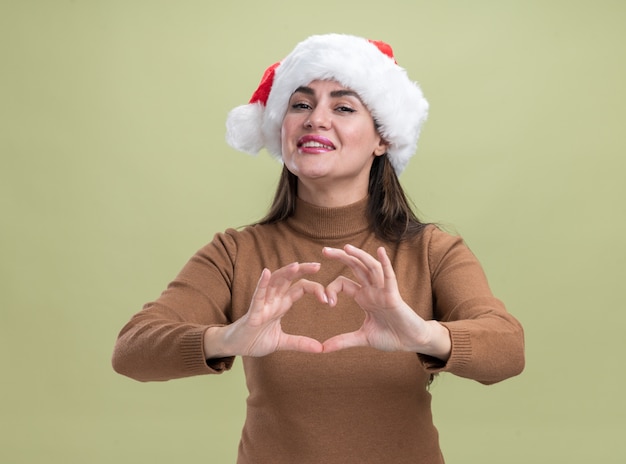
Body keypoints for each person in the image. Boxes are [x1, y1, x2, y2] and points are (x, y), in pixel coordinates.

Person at [112, 33, 524, 463]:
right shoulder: (235, 252)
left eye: (343, 107)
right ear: (281, 128)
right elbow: (132, 350)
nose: (315, 119)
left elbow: (508, 350)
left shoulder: (432, 251)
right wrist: (229, 337)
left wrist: (421, 333)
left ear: (382, 138)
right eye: (301, 105)